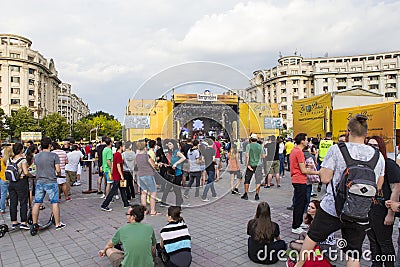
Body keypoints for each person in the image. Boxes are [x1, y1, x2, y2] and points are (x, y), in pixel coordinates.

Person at [294, 115, 385, 267]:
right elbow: (379, 185)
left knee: (312, 237)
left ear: (348, 131)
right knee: (353, 253)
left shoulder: (337, 150)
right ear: (366, 134)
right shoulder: (378, 156)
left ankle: (299, 265)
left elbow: (325, 178)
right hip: (360, 212)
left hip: (332, 208)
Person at [366, 136, 399, 267]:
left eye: (375, 146)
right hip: (369, 210)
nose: (371, 148)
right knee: (373, 243)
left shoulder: (389, 164)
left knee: (385, 243)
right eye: (369, 145)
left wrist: (390, 214)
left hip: (383, 210)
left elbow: (396, 188)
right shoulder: (367, 165)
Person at [32, 137, 66, 230]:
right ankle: (58, 223)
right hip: (51, 181)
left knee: (37, 202)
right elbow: (58, 169)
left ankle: (34, 223)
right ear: (50, 145)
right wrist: (58, 174)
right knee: (54, 202)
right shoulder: (53, 156)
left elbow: (35, 169)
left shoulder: (37, 156)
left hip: (40, 181)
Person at [290, 133, 320, 234]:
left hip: (297, 179)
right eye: (306, 140)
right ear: (302, 141)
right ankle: (295, 226)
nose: (307, 142)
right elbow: (303, 170)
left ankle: (299, 222)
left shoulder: (295, 151)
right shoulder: (299, 152)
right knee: (299, 204)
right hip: (300, 180)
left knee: (301, 202)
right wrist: (317, 172)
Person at [8, 143, 33, 230]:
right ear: (21, 150)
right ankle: (23, 222)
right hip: (21, 182)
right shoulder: (23, 160)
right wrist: (31, 175)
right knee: (23, 202)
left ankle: (14, 222)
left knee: (13, 203)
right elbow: (26, 172)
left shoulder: (10, 159)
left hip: (11, 183)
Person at [101, 141, 130, 211]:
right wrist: (121, 175)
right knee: (113, 190)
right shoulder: (119, 155)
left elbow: (114, 164)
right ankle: (104, 205)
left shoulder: (115, 154)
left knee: (122, 189)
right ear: (120, 147)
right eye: (123, 146)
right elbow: (118, 166)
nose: (124, 148)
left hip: (116, 174)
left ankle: (126, 203)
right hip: (118, 175)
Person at [135, 140, 161, 215]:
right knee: (153, 193)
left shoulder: (137, 156)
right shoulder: (147, 156)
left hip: (141, 175)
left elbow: (136, 166)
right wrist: (157, 165)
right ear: (145, 147)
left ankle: (144, 210)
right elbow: (153, 165)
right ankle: (153, 211)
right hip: (148, 175)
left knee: (144, 193)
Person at [160, 139, 185, 207]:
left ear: (174, 145)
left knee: (177, 190)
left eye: (170, 144)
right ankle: (165, 201)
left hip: (177, 174)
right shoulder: (171, 152)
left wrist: (176, 164)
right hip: (171, 173)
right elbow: (171, 163)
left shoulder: (177, 152)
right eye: (168, 144)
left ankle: (178, 205)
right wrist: (167, 165)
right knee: (168, 188)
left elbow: (183, 158)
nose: (169, 145)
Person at [241, 134, 264, 201]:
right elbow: (263, 156)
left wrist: (247, 164)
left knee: (247, 180)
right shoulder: (260, 146)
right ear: (256, 139)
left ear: (251, 139)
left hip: (251, 165)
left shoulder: (249, 146)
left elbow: (247, 156)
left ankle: (246, 194)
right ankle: (257, 194)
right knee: (258, 181)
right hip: (258, 165)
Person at [0, 146, 12, 214]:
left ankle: (2, 209)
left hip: (3, 178)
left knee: (3, 194)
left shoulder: (2, 160)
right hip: (10, 178)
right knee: (12, 194)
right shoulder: (12, 160)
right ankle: (12, 208)